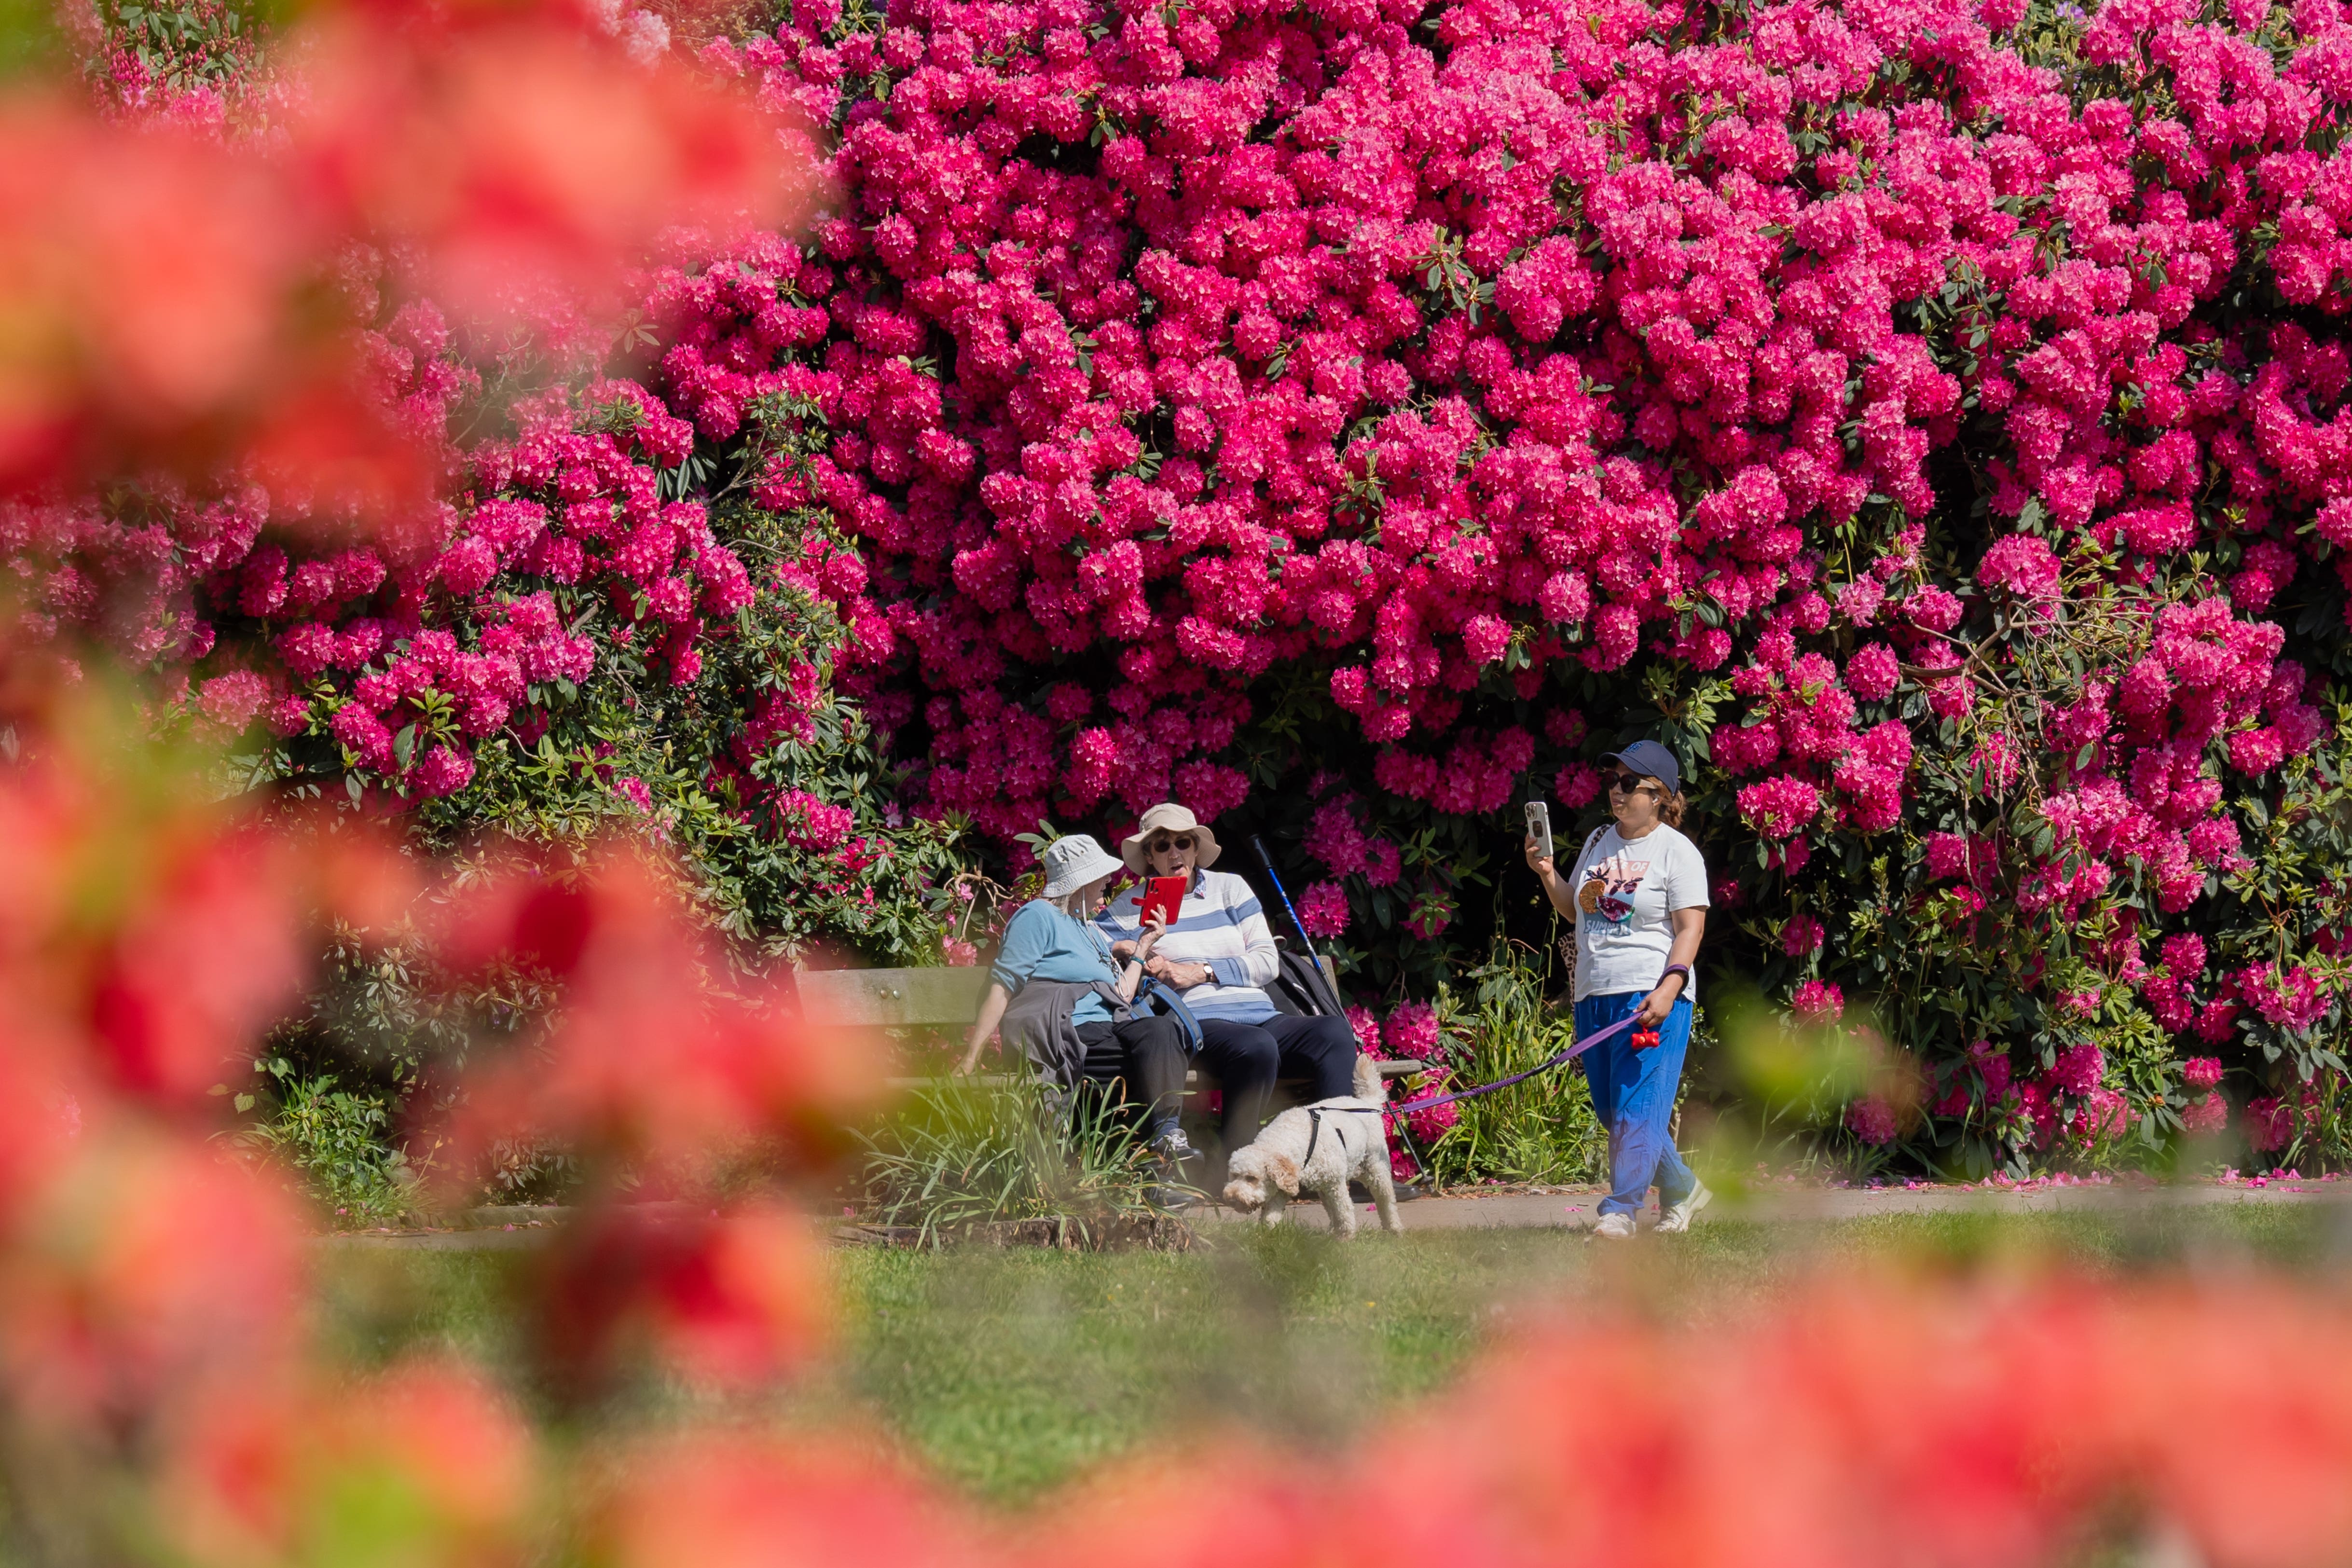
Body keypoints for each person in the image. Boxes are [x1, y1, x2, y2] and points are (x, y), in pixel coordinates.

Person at [1095, 803, 1360, 1161]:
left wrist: (1201, 971)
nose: (1175, 853)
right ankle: (1237, 1165)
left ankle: (1340, 1163)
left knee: (1334, 1034)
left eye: (1183, 842)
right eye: (1162, 845)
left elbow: (1268, 962)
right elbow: (1084, 939)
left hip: (1261, 1014)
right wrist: (1127, 946)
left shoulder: (1230, 888)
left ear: (1195, 847)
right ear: (1148, 855)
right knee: (1256, 1045)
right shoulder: (1132, 906)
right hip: (1194, 1024)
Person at [1526, 740, 1711, 1238]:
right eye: (1613, 780)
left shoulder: (1678, 853)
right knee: (1618, 1112)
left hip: (1649, 995)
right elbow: (1574, 908)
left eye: (1630, 783)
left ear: (1660, 796)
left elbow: (1690, 928)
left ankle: (1620, 1210)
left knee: (1635, 1107)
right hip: (1594, 993)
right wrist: (1547, 872)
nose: (1617, 790)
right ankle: (1684, 1188)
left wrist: (1670, 987)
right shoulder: (1598, 840)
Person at [952, 835, 1191, 1193]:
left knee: (1160, 1032)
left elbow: (1120, 996)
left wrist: (1143, 946)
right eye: (1101, 877)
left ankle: (1166, 1137)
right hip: (1064, 1031)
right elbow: (1002, 986)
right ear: (1079, 883)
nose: (1109, 882)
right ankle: (1151, 1177)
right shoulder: (1037, 916)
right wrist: (971, 1056)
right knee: (1139, 1066)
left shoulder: (1089, 930)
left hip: (1106, 1027)